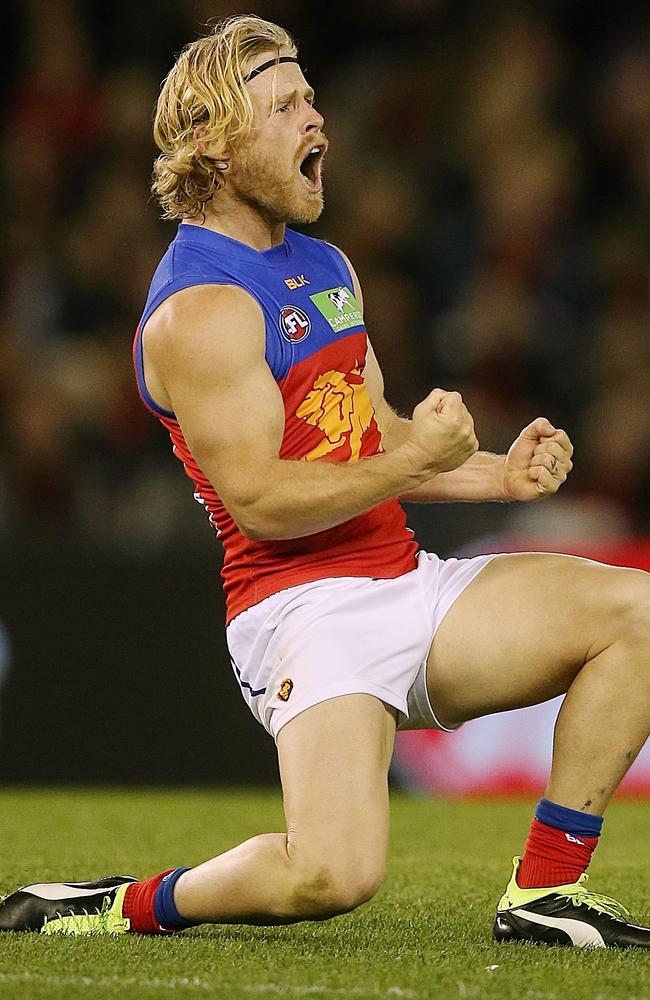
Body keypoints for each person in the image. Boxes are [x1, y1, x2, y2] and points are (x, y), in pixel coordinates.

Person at [1, 15, 649, 948]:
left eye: (311, 96)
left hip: (405, 584)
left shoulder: (324, 264)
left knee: (638, 614)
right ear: (218, 147)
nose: (318, 122)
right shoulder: (199, 309)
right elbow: (263, 500)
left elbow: (369, 436)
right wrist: (413, 460)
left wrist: (494, 478)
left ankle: (546, 894)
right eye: (286, 106)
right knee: (332, 875)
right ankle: (114, 904)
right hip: (302, 613)